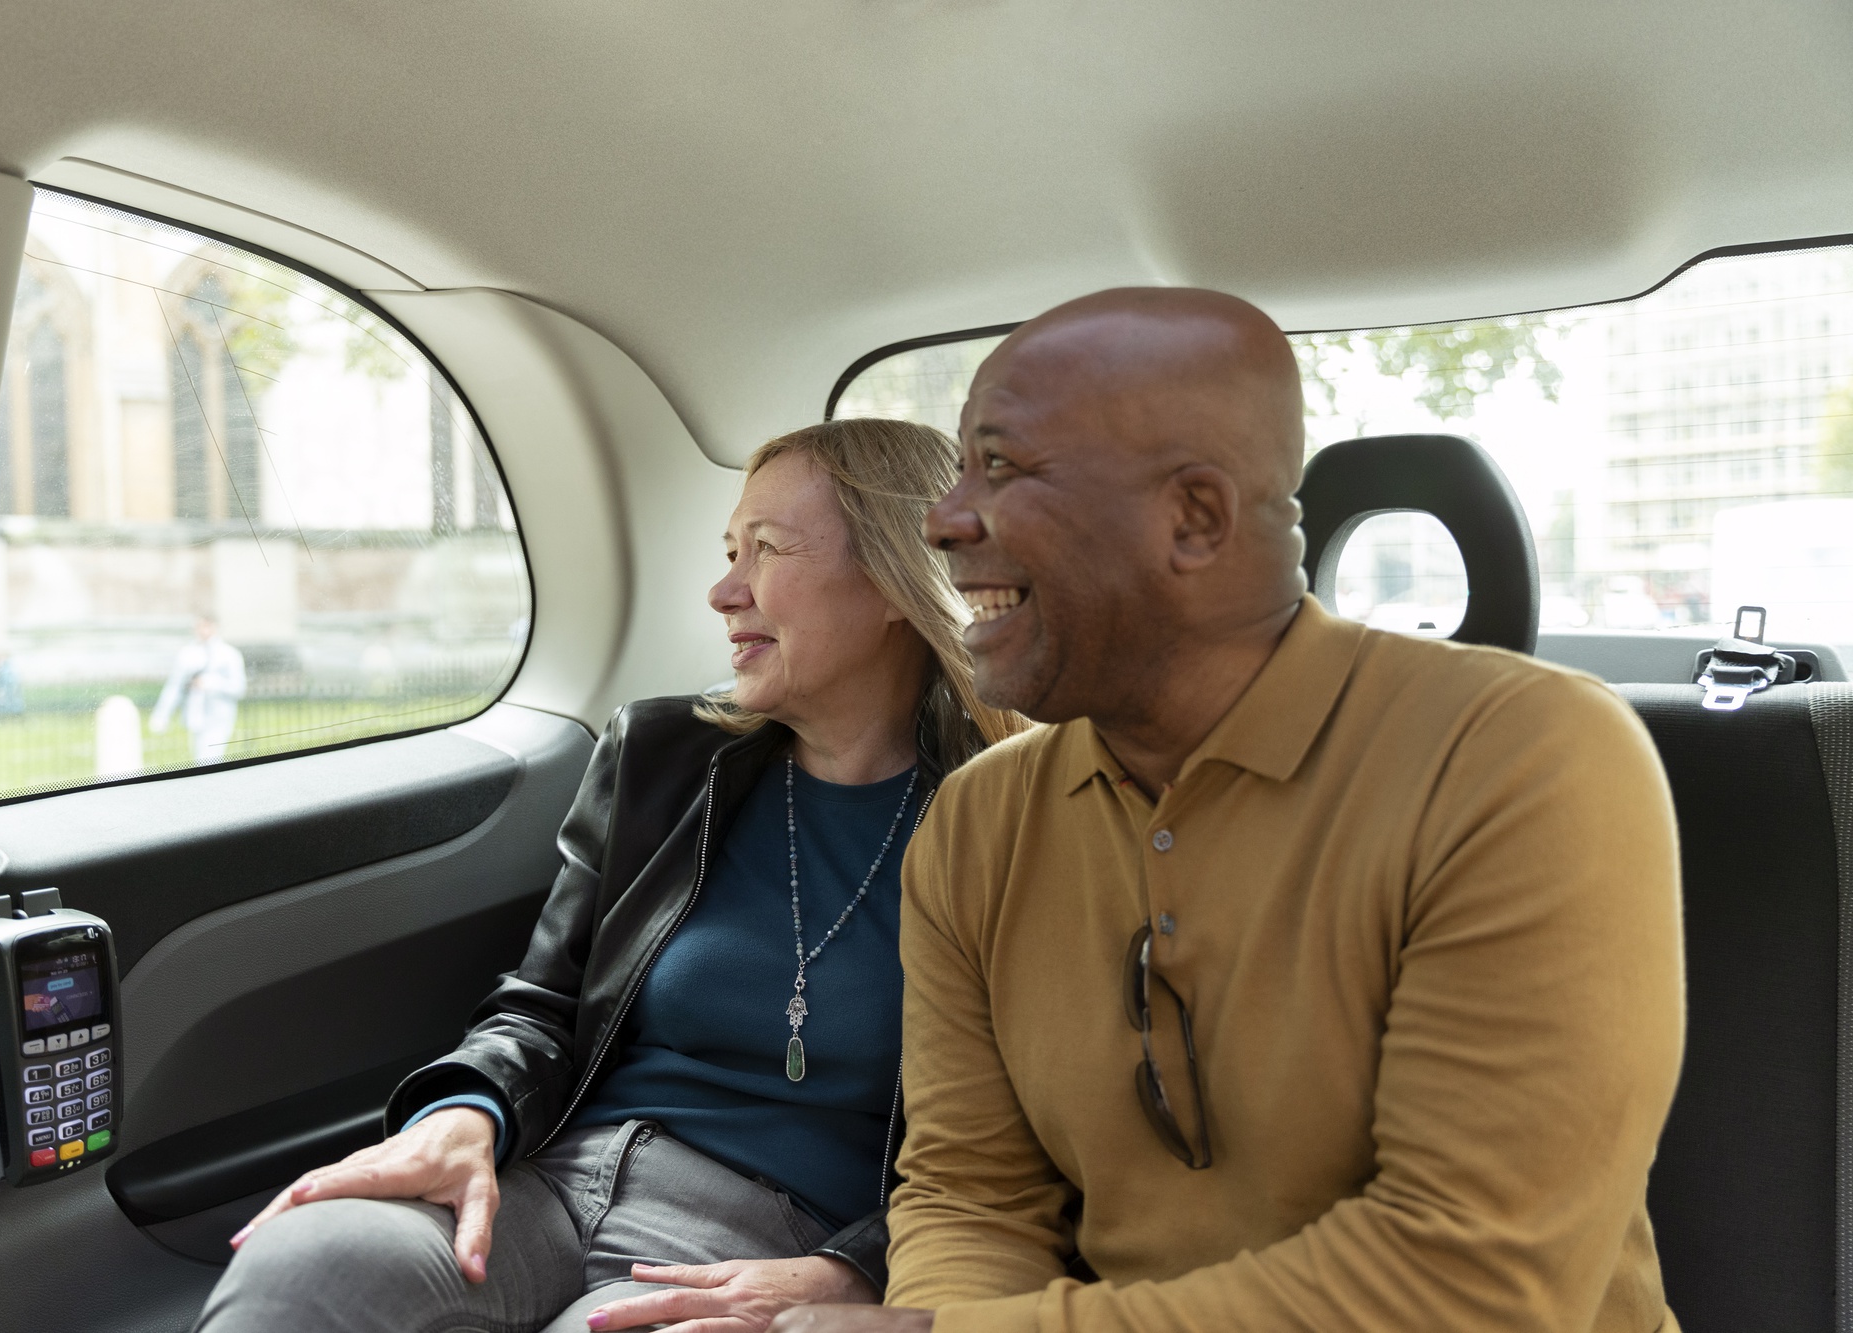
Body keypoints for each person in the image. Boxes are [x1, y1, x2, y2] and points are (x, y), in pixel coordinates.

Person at [774, 289, 1684, 1333]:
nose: (940, 519)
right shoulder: (977, 823)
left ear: (1194, 518)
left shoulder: (1525, 758)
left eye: (1004, 467)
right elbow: (970, 1194)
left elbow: (1467, 1282)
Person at [195, 418, 1025, 1333]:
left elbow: (1022, 1154)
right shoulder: (662, 757)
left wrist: (856, 1268)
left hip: (764, 1246)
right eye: (727, 551)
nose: (723, 590)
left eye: (768, 551)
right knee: (304, 1264)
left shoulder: (1010, 824)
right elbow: (540, 1007)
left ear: (895, 582)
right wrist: (468, 1113)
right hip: (548, 1179)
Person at [150, 615, 246, 765]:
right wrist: (162, 715)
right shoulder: (188, 653)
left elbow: (239, 687)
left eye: (207, 626)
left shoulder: (229, 654)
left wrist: (214, 683)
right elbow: (175, 686)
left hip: (219, 717)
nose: (203, 631)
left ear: (215, 627)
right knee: (199, 759)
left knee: (210, 759)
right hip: (196, 716)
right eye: (200, 626)